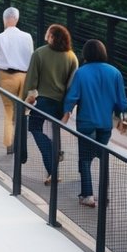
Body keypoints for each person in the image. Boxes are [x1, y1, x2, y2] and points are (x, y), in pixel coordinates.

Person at [62, 40, 127, 208]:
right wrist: (123, 117)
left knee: (85, 159)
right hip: (105, 123)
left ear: (86, 53)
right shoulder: (115, 73)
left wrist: (66, 113)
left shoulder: (82, 72)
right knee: (102, 157)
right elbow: (121, 101)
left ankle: (87, 195)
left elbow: (73, 96)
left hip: (86, 122)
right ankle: (104, 195)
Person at [24, 24, 78, 185]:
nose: (45, 35)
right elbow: (72, 84)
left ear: (53, 36)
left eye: (48, 33)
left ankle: (54, 154)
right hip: (61, 102)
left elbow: (31, 81)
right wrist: (67, 108)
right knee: (55, 132)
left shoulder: (39, 53)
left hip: (43, 100)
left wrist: (24, 100)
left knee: (34, 127)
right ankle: (52, 170)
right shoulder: (71, 57)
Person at [0, 8, 34, 154]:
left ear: (4, 19)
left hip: (7, 77)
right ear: (17, 19)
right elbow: (31, 58)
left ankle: (9, 144)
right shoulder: (27, 37)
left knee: (8, 110)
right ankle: (21, 143)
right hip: (25, 77)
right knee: (22, 111)